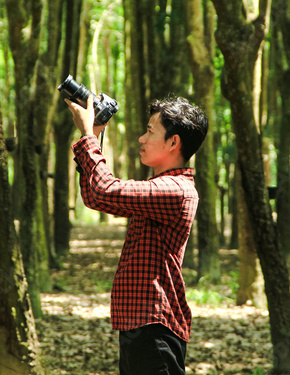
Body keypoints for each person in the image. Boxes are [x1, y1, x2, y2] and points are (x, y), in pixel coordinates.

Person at [65, 94, 208, 375]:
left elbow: (106, 189)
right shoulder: (159, 188)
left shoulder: (174, 190)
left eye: (150, 131)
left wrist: (87, 136)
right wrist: (93, 136)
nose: (141, 139)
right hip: (139, 327)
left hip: (155, 329)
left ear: (173, 142)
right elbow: (97, 197)